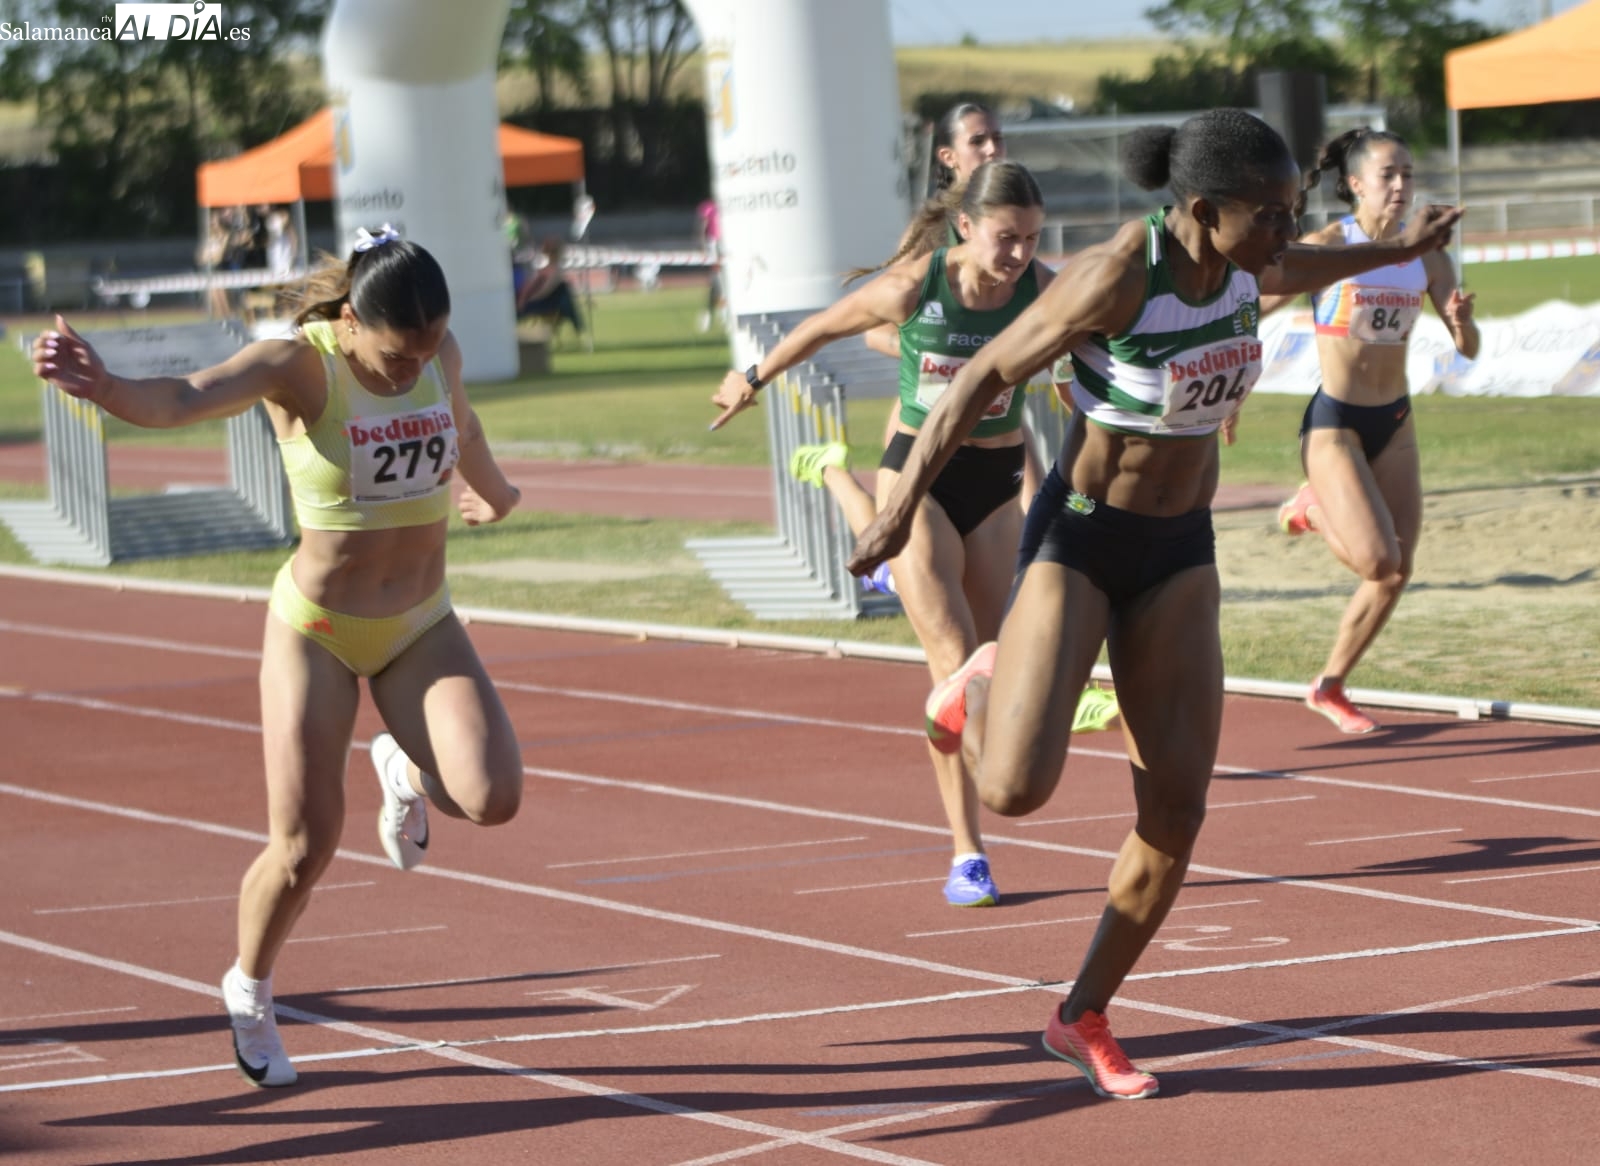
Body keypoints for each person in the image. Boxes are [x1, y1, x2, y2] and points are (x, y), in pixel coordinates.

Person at [847, 109, 1461, 1099]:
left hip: (1180, 550)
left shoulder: (1251, 264)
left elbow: (1311, 268)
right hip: (1081, 536)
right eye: (1269, 216)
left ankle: (1080, 1008)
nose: (1284, 234)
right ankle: (979, 670)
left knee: (1176, 806)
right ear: (1205, 209)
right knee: (1011, 790)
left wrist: (1402, 247)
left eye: (1291, 213)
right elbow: (978, 380)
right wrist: (899, 506)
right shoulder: (1116, 274)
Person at [30, 224, 526, 1090]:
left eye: (428, 349)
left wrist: (500, 494)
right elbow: (185, 396)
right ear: (352, 324)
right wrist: (104, 386)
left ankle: (404, 772)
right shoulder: (299, 368)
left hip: (420, 621)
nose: (414, 367)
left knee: (492, 797)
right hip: (320, 631)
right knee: (305, 844)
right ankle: (250, 987)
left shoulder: (436, 354)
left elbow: (464, 426)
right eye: (397, 355)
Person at [712, 161, 1060, 910]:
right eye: (1006, 239)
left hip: (996, 485)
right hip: (917, 480)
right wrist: (753, 375)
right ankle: (969, 849)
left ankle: (844, 494)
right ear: (966, 228)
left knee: (986, 669)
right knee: (953, 660)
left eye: (1032, 239)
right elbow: (820, 328)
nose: (1019, 255)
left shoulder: (1042, 291)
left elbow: (1111, 337)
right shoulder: (914, 287)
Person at [1271, 129, 1479, 733]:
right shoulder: (1329, 245)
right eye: (1388, 175)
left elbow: (1467, 347)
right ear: (1355, 184)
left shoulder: (1430, 254)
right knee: (1376, 559)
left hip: (1395, 420)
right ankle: (1311, 508)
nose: (1401, 186)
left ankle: (1329, 684)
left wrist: (1462, 324)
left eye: (1408, 175)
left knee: (1396, 571)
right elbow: (1255, 304)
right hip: (1336, 422)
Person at [515, 234, 586, 340]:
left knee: (515, 312)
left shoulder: (553, 271)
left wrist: (528, 299)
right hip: (543, 301)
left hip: (544, 303)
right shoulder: (549, 270)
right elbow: (534, 288)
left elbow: (544, 291)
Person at [696, 198, 724, 333]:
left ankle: (716, 314)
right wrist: (702, 245)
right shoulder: (708, 206)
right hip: (714, 243)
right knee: (718, 281)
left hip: (725, 242)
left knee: (720, 283)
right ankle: (711, 314)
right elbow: (703, 225)